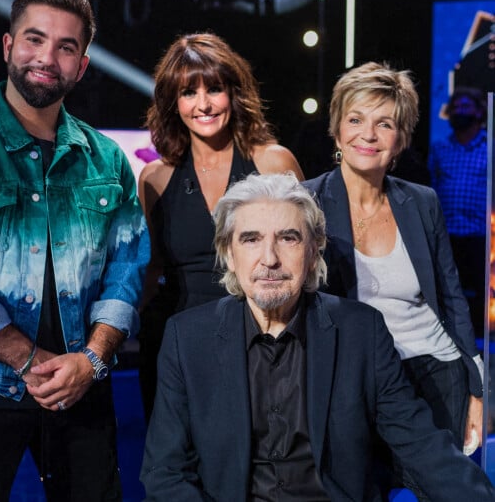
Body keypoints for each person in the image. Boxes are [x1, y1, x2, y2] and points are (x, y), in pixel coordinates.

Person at [0, 0, 149, 501]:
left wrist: (91, 360)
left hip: (81, 386)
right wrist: (29, 360)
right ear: (7, 46)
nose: (48, 57)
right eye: (34, 39)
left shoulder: (107, 160)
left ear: (82, 65)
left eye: (67, 47)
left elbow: (128, 269)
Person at [140, 172, 495, 501]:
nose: (270, 259)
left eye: (288, 238)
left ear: (313, 252)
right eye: (251, 239)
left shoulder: (361, 332)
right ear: (229, 254)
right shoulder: (187, 338)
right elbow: (164, 472)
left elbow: (421, 445)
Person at [303, 62, 483, 497]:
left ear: (400, 139)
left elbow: (451, 297)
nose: (368, 135)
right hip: (356, 379)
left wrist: (477, 390)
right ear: (336, 128)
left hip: (436, 371)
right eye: (355, 119)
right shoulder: (307, 202)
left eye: (384, 123)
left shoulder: (421, 201)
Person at [137, 31, 304, 419]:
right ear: (172, 103)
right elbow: (151, 270)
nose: (204, 104)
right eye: (188, 93)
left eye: (214, 89)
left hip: (261, 341)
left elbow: (307, 258)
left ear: (234, 92)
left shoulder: (273, 162)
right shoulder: (154, 178)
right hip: (176, 345)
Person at [428, 86, 488, 334]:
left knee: (480, 292)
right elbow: (431, 184)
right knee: (449, 290)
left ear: (479, 111)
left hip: (480, 234)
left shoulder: (490, 146)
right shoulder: (440, 147)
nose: (460, 111)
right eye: (456, 107)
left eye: (466, 107)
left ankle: (478, 338)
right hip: (447, 233)